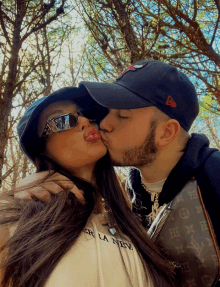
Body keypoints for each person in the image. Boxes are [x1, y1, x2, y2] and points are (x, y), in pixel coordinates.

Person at [17, 60, 220, 287]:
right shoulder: (129, 203)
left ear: (165, 133)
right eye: (105, 112)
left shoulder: (212, 176)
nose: (102, 123)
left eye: (122, 115)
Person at [0, 86, 177, 287]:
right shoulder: (15, 217)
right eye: (63, 120)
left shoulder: (137, 226)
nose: (85, 121)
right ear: (42, 150)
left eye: (88, 114)